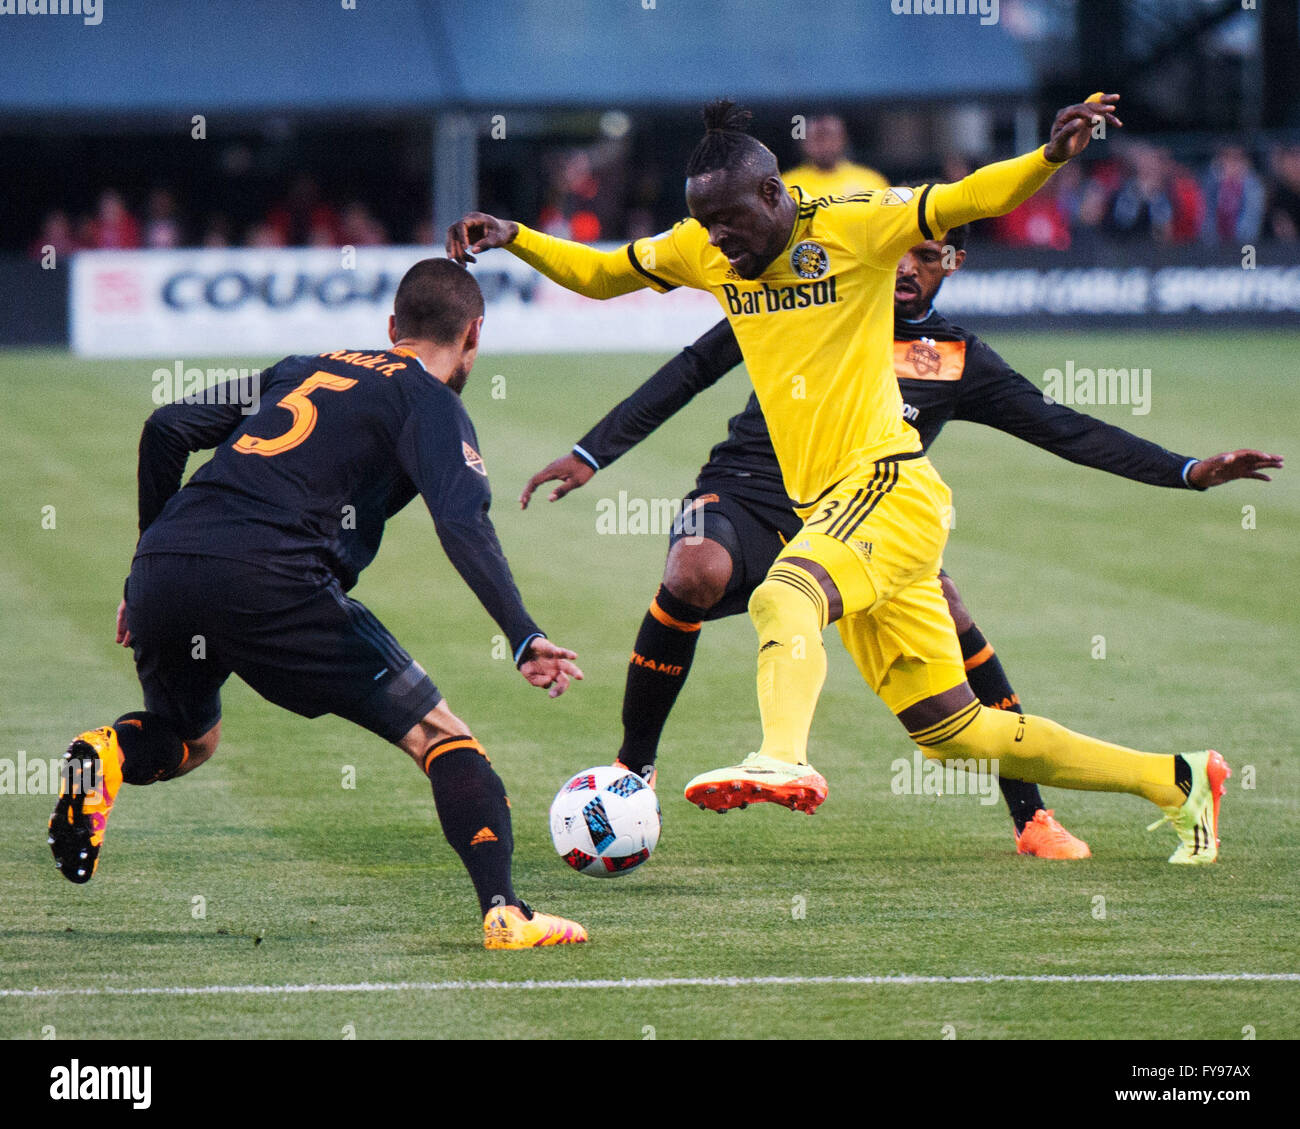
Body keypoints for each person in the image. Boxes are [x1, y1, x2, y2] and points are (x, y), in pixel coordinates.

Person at [449, 94, 1267, 866]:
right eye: (707, 224)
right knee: (956, 731)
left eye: (731, 220)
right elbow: (603, 275)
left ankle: (781, 760)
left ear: (774, 193)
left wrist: (1049, 156)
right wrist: (516, 234)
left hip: (888, 487)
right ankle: (1182, 778)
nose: (719, 240)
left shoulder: (855, 227)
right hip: (830, 511)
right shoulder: (705, 246)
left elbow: (964, 198)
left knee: (782, 593)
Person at [48, 258, 588, 949]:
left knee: (188, 736)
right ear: (474, 334)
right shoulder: (430, 401)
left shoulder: (304, 364)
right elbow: (462, 522)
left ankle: (108, 753)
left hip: (166, 565)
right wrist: (521, 633)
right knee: (441, 736)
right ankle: (507, 911)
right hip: (274, 578)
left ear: (391, 327)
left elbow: (166, 426)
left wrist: (141, 567)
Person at [784, 114, 889, 198]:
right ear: (803, 143)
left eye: (830, 136)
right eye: (817, 138)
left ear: (843, 138)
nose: (824, 144)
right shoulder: (788, 185)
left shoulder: (871, 181)